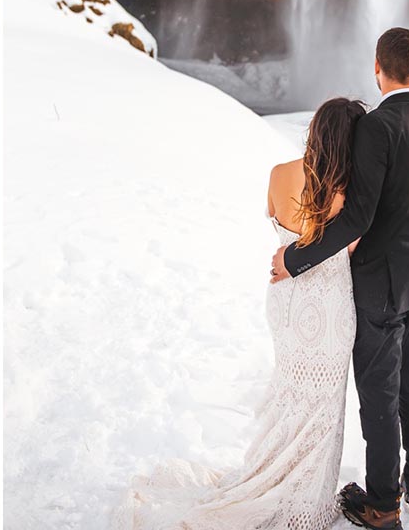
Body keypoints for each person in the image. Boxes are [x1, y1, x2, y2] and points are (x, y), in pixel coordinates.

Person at [112, 97, 366, 530]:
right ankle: (305, 494)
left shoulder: (280, 173)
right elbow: (349, 248)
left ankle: (273, 472)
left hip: (286, 300)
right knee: (323, 404)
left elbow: (273, 214)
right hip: (330, 306)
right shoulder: (352, 193)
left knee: (290, 393)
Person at [271, 27, 409, 528]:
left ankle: (383, 504)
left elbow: (357, 219)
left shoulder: (376, 127)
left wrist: (294, 258)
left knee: (381, 393)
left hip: (379, 284)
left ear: (377, 69)